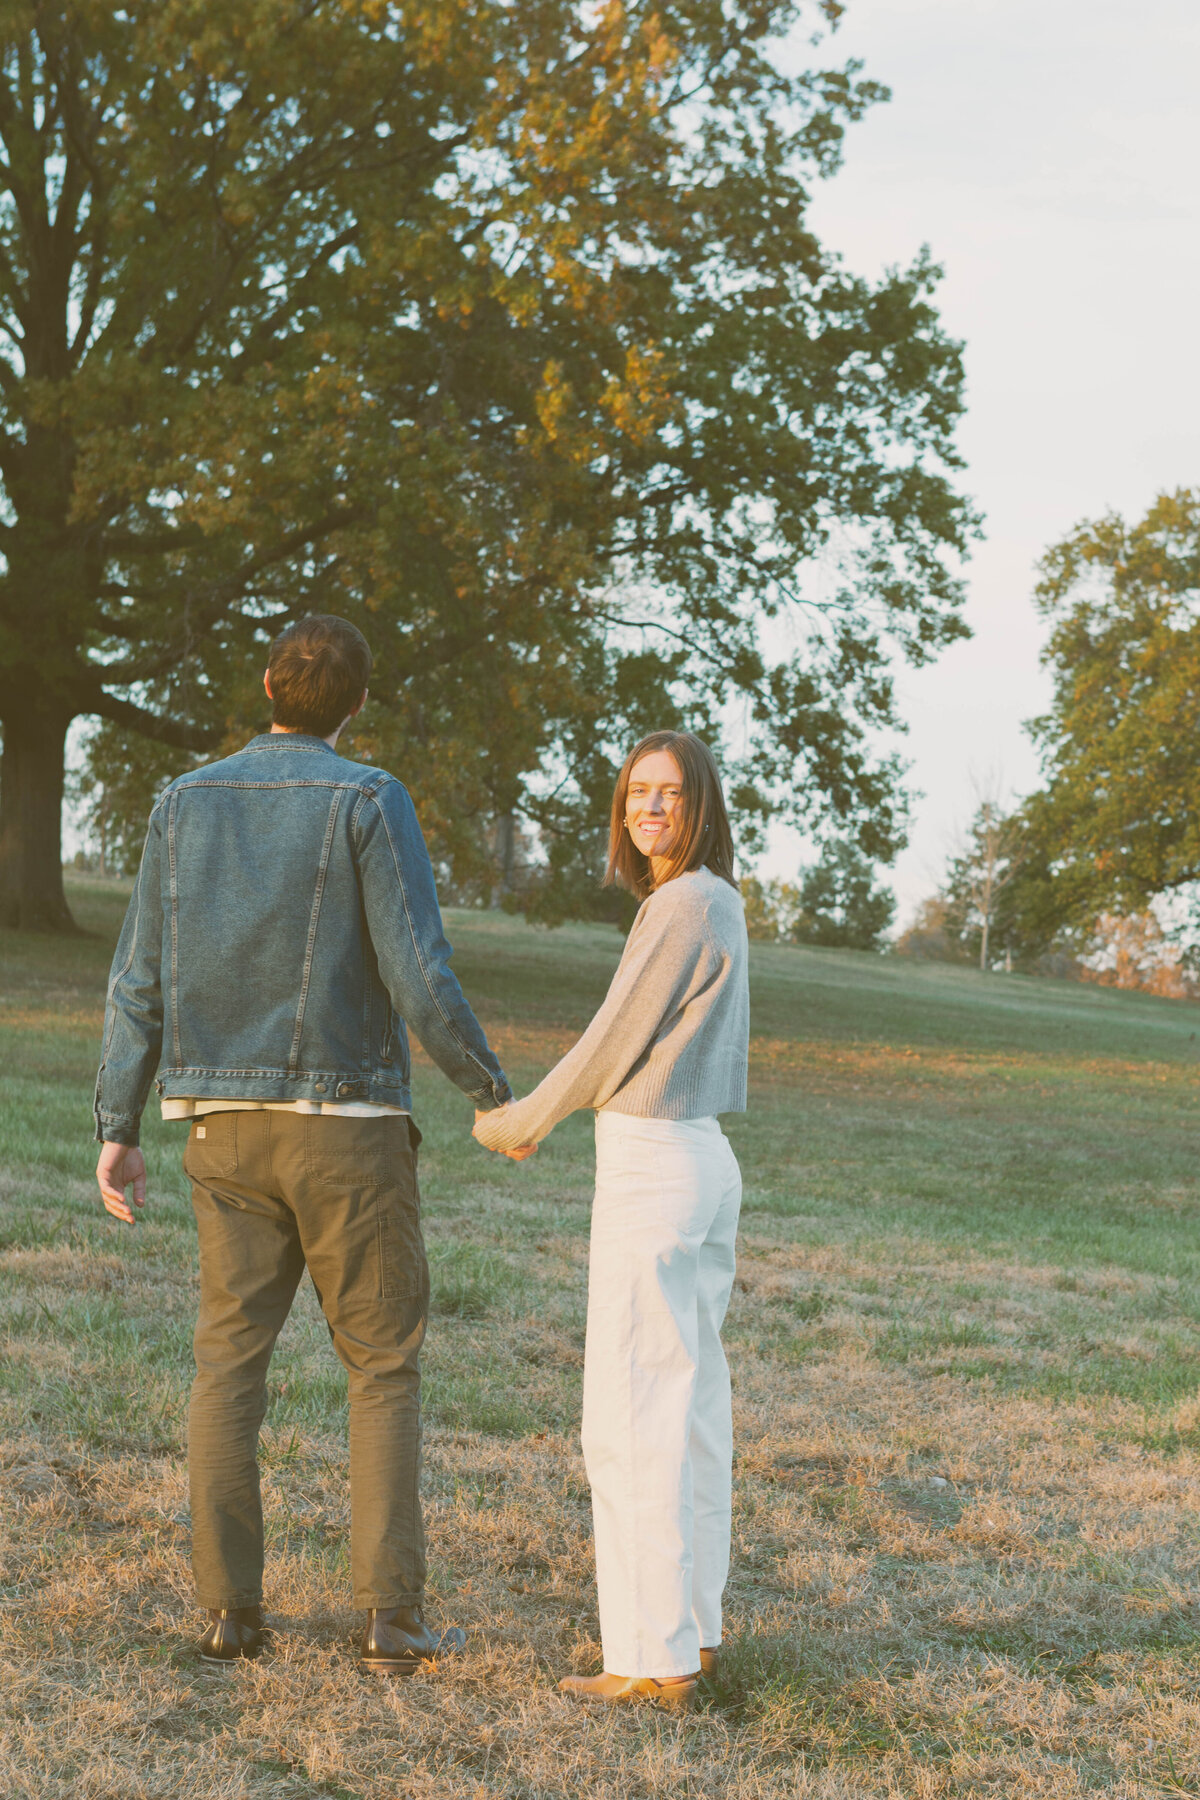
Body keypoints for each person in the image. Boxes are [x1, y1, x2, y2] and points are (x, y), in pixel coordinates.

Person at [93, 614, 532, 1673]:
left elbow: (138, 980)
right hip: (347, 1131)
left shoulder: (181, 801)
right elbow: (418, 971)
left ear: (266, 686)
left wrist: (117, 1124)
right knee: (381, 1368)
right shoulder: (368, 797)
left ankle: (229, 1615)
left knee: (226, 1368)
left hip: (222, 1133)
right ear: (358, 705)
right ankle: (391, 1618)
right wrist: (490, 1090)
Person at [473, 730, 748, 1711]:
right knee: (694, 1412)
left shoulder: (682, 904)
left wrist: (523, 1118)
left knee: (633, 1420)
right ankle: (695, 1636)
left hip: (657, 1164)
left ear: (702, 805)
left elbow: (609, 1040)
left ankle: (652, 1657)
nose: (651, 808)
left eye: (670, 793)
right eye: (637, 792)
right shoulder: (712, 901)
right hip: (701, 1160)